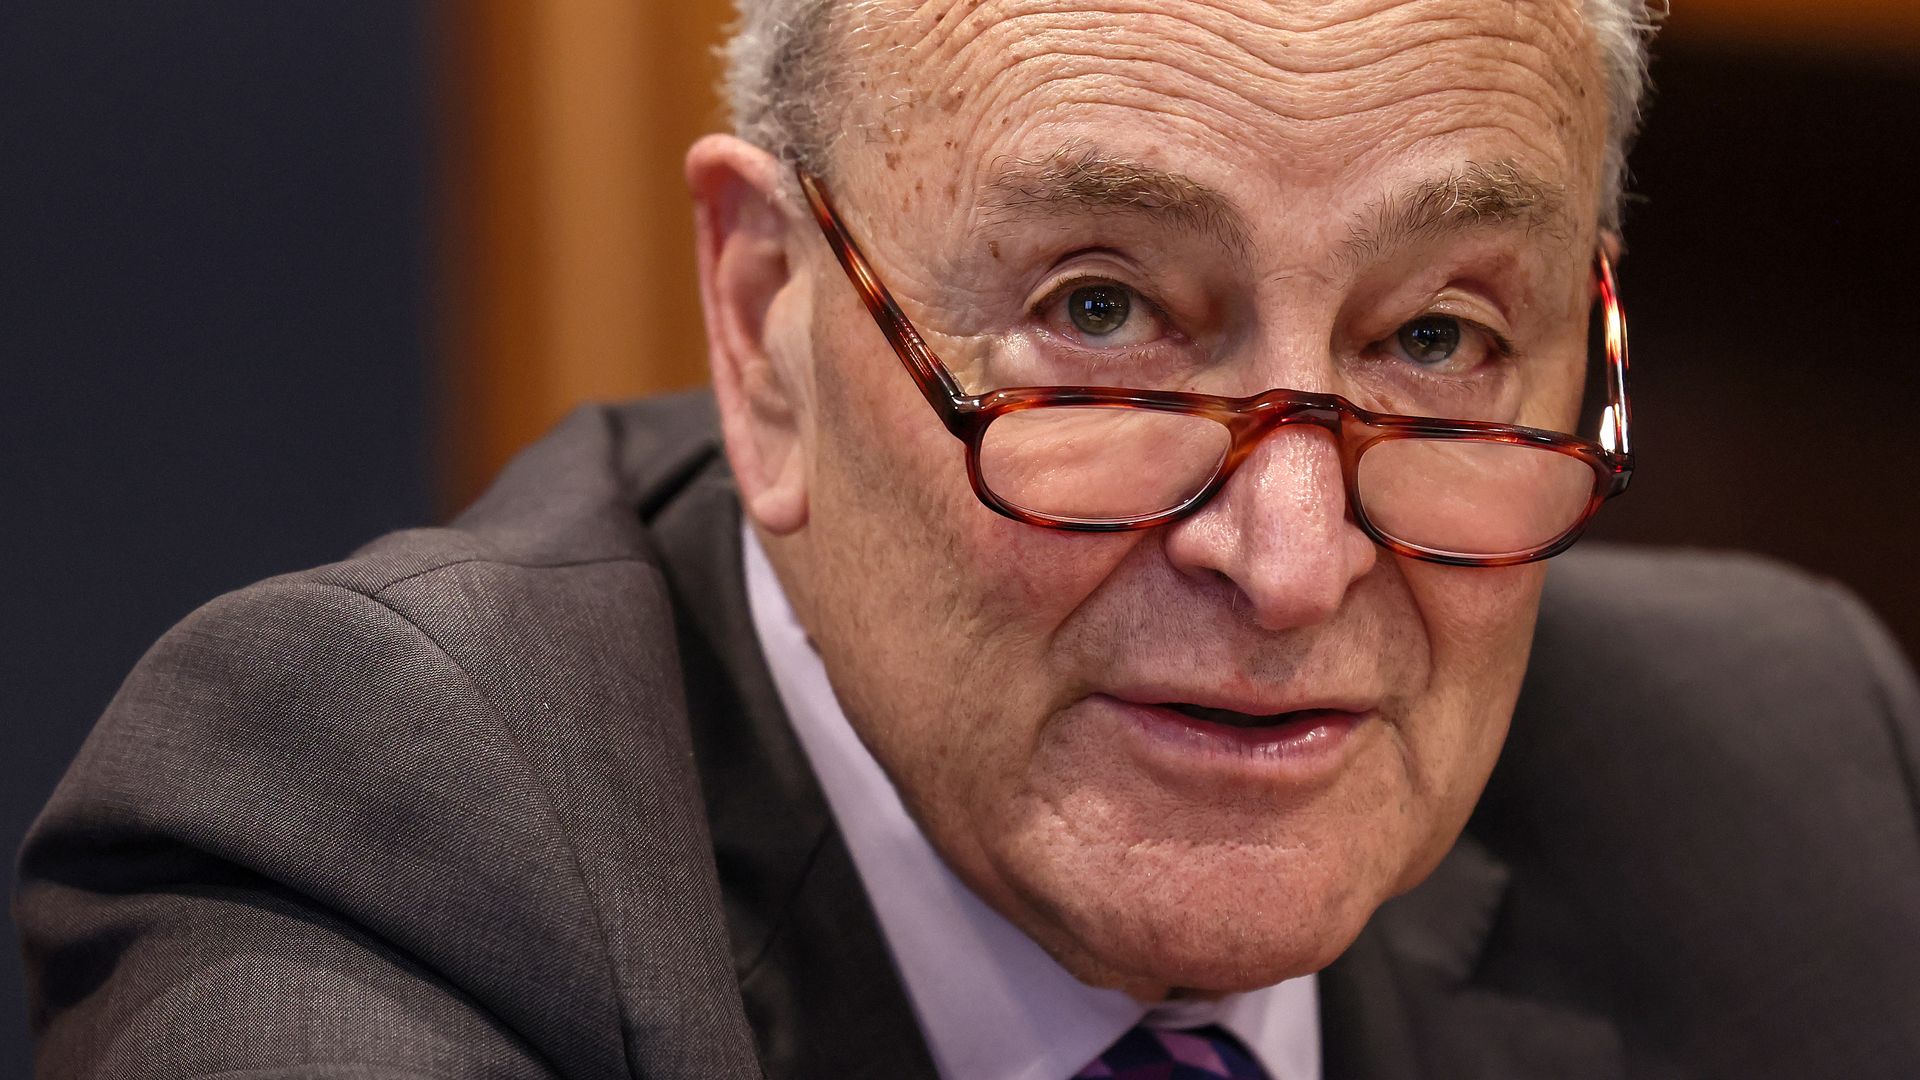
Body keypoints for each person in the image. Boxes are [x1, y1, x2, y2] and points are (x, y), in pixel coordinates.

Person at [15, 1, 1920, 1077]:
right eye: (1099, 314)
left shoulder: (1789, 781)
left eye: (1434, 338)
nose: (1288, 558)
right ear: (767, 323)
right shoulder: (369, 831)